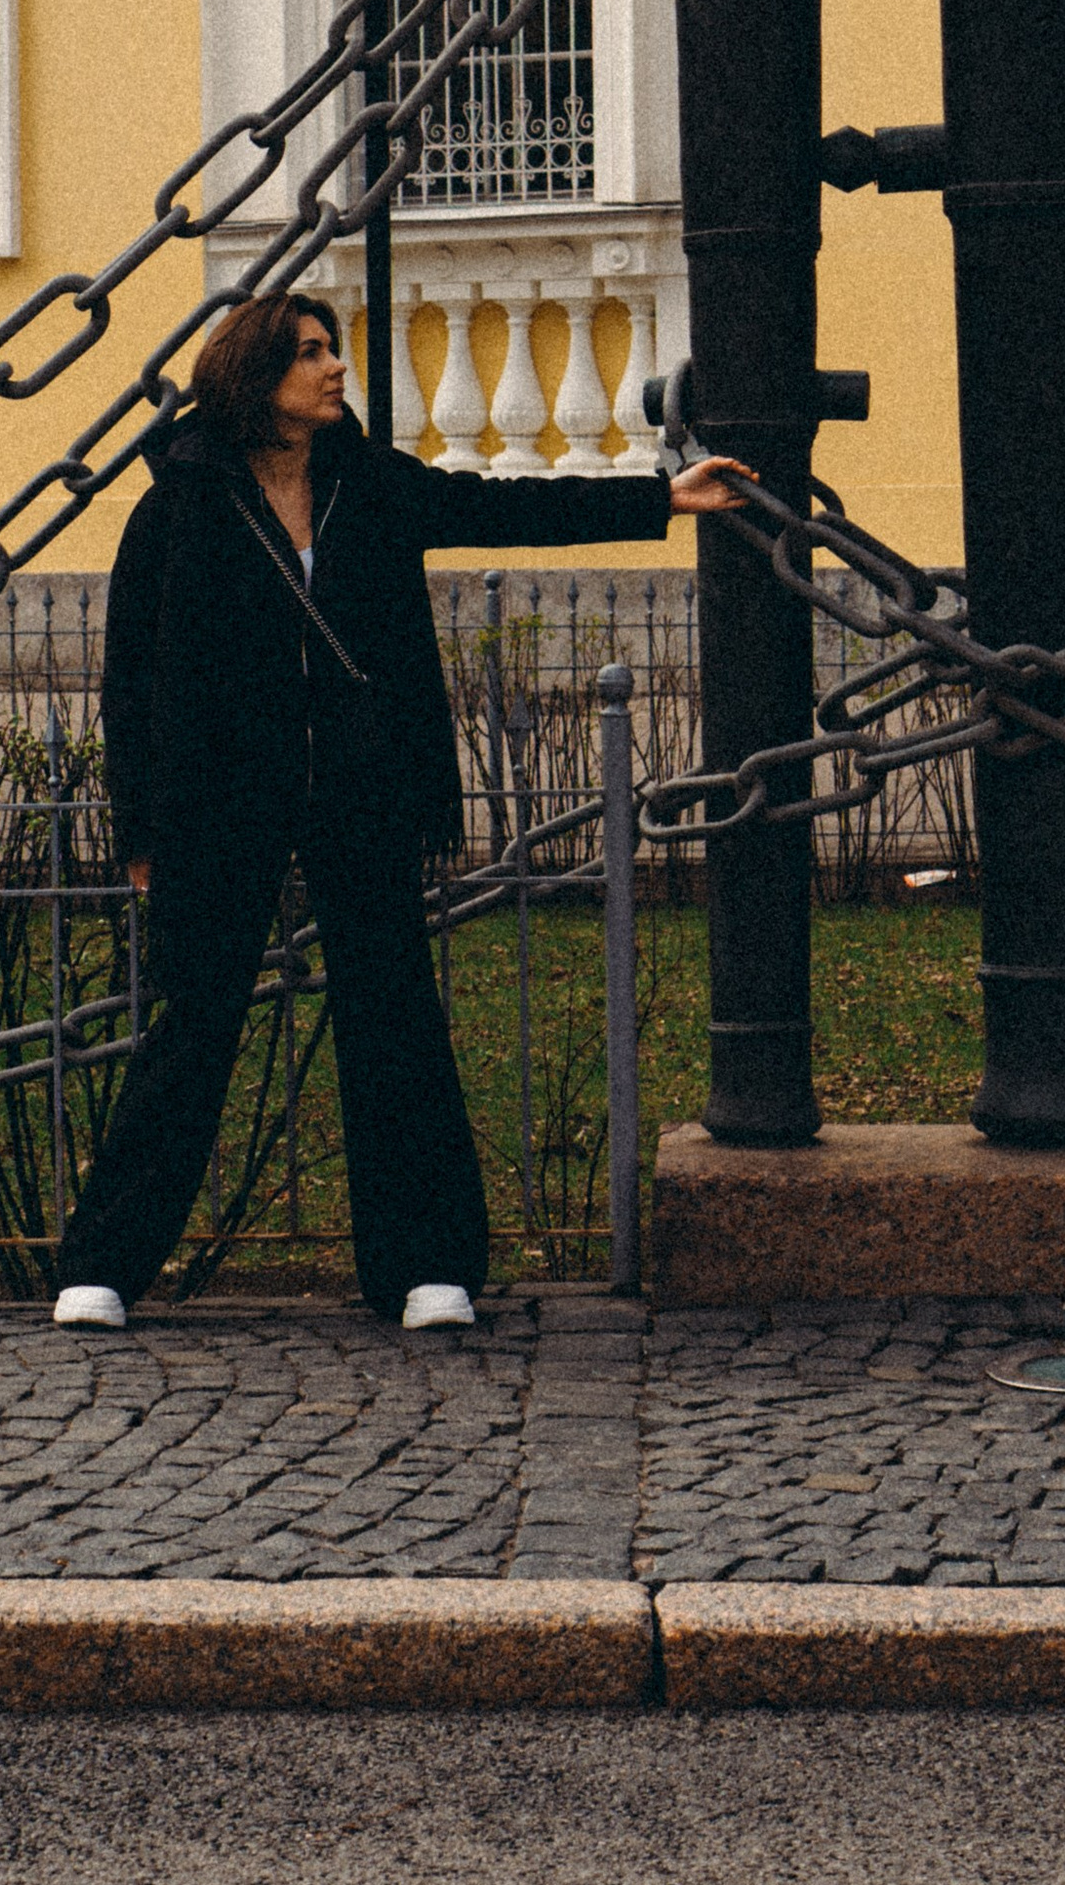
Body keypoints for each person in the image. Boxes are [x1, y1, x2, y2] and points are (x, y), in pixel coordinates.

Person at [51, 290, 743, 1333]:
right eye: (310, 353)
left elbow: (501, 508)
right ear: (257, 376)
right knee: (193, 1024)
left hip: (362, 787)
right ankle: (104, 1265)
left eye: (331, 350)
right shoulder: (183, 503)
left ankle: (426, 1267)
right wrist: (139, 828)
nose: (335, 367)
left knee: (393, 1018)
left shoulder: (368, 485)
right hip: (220, 800)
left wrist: (662, 500)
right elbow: (130, 679)